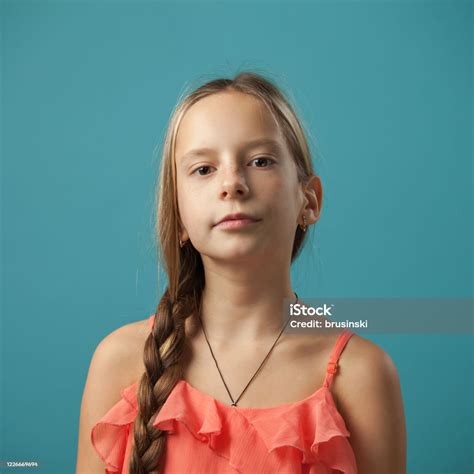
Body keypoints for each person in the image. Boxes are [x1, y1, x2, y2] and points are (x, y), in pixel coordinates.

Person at [76, 71, 406, 474]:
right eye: (203, 169)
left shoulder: (362, 376)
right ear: (178, 217)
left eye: (260, 161)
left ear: (310, 201)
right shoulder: (119, 361)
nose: (231, 183)